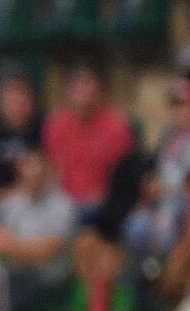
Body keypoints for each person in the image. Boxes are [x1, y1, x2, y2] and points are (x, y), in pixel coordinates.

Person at [0, 149, 77, 311]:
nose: (33, 176)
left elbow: (49, 250)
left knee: (11, 301)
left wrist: (14, 247)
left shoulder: (62, 206)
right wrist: (31, 249)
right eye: (29, 169)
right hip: (15, 278)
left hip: (51, 282)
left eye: (39, 171)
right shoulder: (11, 204)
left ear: (48, 173)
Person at [43, 64, 133, 211]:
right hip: (62, 202)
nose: (84, 94)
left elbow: (125, 176)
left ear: (101, 92)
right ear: (67, 93)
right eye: (78, 88)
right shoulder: (55, 126)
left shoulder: (117, 128)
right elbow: (50, 169)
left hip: (104, 204)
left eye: (89, 87)